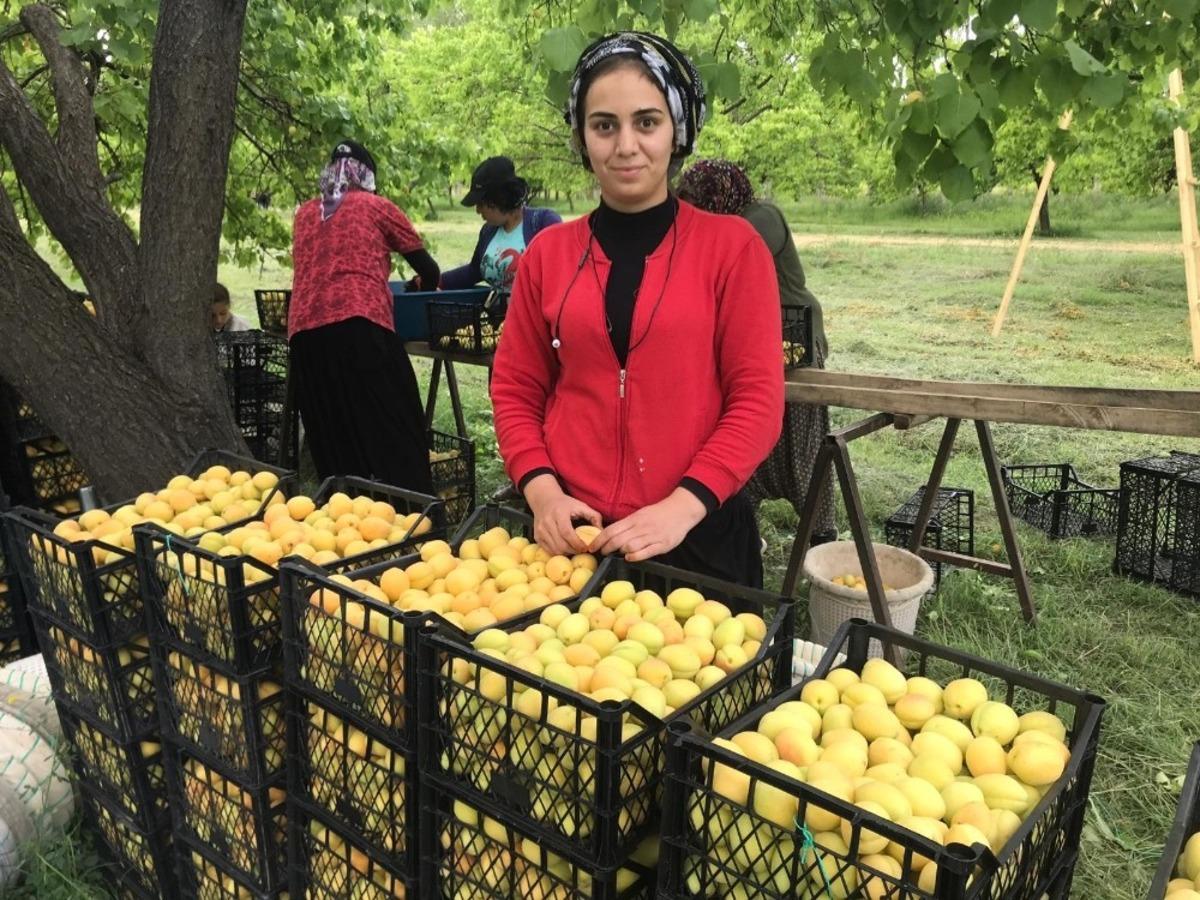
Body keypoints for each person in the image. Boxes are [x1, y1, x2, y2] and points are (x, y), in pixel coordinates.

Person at [490, 33, 783, 587]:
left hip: (697, 533)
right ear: (583, 137)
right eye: (605, 125)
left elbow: (758, 401)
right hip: (575, 540)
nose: (626, 145)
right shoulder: (548, 256)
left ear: (678, 131)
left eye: (646, 122)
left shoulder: (733, 250)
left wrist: (683, 505)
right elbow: (516, 387)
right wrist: (542, 491)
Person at [677, 159, 836, 542]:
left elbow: (716, 261)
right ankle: (745, 524)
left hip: (790, 338)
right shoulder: (724, 222)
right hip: (749, 336)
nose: (689, 213)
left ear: (715, 194)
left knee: (800, 441)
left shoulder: (757, 220)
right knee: (742, 429)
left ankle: (820, 535)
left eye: (693, 203)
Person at [288, 140, 440, 492]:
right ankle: (415, 520)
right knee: (396, 428)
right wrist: (420, 288)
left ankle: (347, 525)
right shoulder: (377, 207)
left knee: (334, 437)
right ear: (368, 177)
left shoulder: (304, 213)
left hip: (305, 335)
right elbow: (428, 270)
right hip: (360, 324)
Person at [440, 156, 562, 294]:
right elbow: (473, 272)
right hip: (500, 315)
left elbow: (559, 274)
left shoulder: (543, 222)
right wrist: (437, 280)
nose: (478, 210)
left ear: (498, 198)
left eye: (481, 203)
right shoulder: (488, 231)